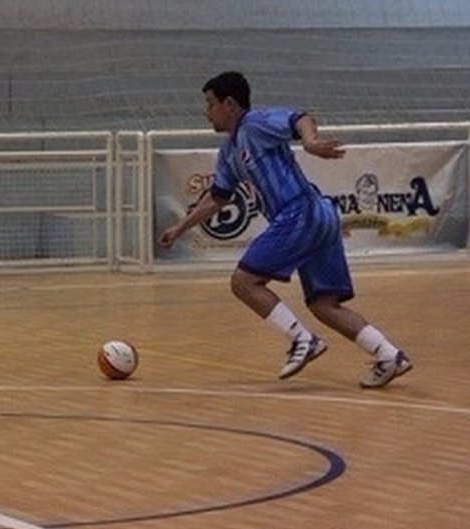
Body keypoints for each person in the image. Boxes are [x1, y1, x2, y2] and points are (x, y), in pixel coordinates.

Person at [158, 71, 411, 388]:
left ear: (230, 104)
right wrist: (180, 227)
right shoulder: (228, 153)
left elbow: (299, 118)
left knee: (243, 282)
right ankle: (389, 355)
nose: (205, 111)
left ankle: (302, 340)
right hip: (321, 216)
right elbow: (217, 198)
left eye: (210, 104)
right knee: (324, 304)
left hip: (300, 212)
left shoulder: (256, 123)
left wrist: (310, 141)